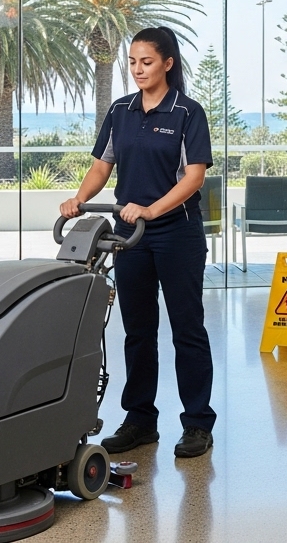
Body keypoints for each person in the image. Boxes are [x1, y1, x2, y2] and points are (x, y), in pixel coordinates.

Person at [60, 26, 217, 459]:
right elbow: (101, 166)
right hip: (129, 236)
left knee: (187, 329)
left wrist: (151, 209)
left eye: (146, 62)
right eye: (132, 62)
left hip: (177, 234)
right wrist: (79, 197)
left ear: (168, 63)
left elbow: (194, 177)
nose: (137, 69)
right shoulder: (121, 110)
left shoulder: (187, 113)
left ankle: (198, 424)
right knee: (138, 331)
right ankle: (141, 420)